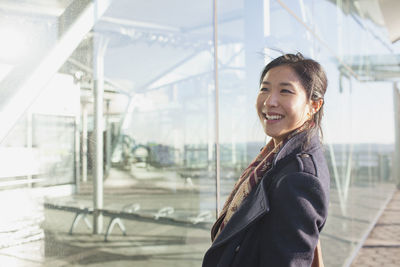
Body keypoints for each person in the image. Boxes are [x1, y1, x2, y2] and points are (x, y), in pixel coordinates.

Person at [202, 53, 330, 267]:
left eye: (285, 91)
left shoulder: (299, 177)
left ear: (313, 106)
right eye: (265, 89)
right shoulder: (276, 155)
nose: (270, 101)